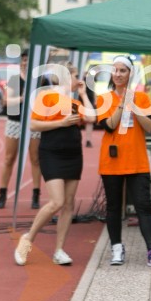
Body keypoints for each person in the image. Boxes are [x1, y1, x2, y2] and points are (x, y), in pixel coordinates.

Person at [14, 63, 94, 266]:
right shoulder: (46, 97)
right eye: (76, 76)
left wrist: (84, 94)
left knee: (68, 204)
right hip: (52, 152)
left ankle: (59, 249)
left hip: (73, 153)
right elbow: (33, 125)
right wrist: (61, 122)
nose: (79, 79)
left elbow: (93, 117)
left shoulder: (75, 100)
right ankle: (27, 239)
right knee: (56, 202)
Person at [96, 56, 151, 268]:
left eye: (122, 71)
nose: (117, 74)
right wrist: (121, 104)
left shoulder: (142, 98)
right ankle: (116, 248)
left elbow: (148, 127)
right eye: (115, 70)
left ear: (130, 74)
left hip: (137, 160)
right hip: (112, 160)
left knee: (143, 206)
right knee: (113, 207)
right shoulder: (104, 98)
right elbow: (108, 126)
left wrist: (133, 105)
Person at [0, 49, 43, 210]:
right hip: (15, 122)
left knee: (35, 159)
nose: (25, 63)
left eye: (29, 60)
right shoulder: (15, 79)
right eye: (23, 60)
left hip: (33, 122)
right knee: (9, 158)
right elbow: (6, 101)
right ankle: (2, 193)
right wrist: (23, 98)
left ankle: (36, 194)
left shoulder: (40, 80)